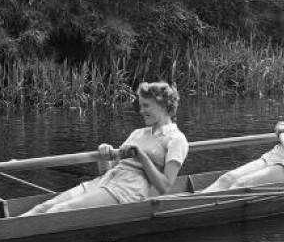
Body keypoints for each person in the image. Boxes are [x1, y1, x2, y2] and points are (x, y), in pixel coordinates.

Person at [23, 82, 187, 215]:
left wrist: (142, 156)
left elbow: (164, 187)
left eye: (146, 106)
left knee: (59, 210)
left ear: (163, 106)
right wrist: (104, 156)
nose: (141, 111)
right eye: (141, 106)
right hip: (107, 180)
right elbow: (107, 172)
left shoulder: (176, 139)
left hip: (130, 188)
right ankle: (1, 233)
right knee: (44, 207)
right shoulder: (138, 133)